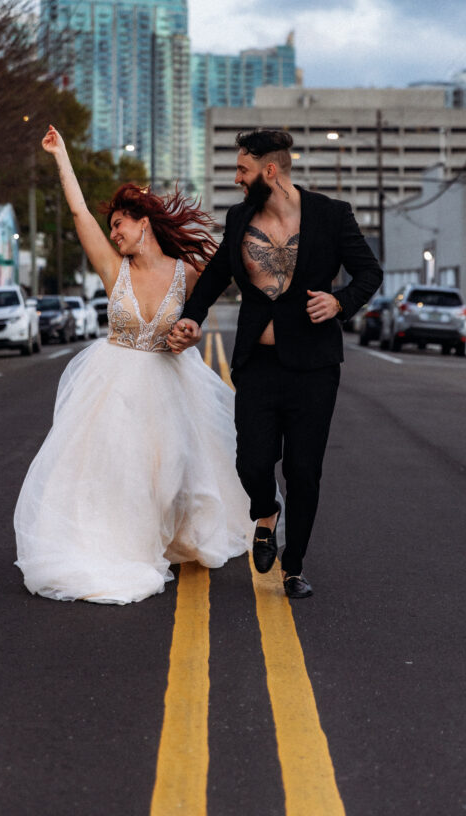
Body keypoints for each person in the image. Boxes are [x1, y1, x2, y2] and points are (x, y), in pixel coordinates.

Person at [14, 126, 253, 605]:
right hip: (113, 382)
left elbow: (203, 310)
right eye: (111, 228)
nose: (113, 233)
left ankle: (167, 537)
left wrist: (192, 330)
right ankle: (118, 545)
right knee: (113, 468)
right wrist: (61, 156)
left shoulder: (189, 272)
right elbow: (79, 212)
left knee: (170, 469)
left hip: (170, 384)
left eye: (119, 223)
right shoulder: (111, 267)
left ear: (143, 221)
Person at [168, 129, 383, 599]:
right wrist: (191, 317)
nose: (237, 178)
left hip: (314, 367)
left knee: (305, 471)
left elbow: (370, 272)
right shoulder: (241, 217)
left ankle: (294, 568)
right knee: (252, 461)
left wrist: (340, 303)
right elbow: (217, 274)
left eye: (243, 169)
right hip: (258, 365)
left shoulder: (331, 215)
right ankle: (266, 513)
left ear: (270, 171)